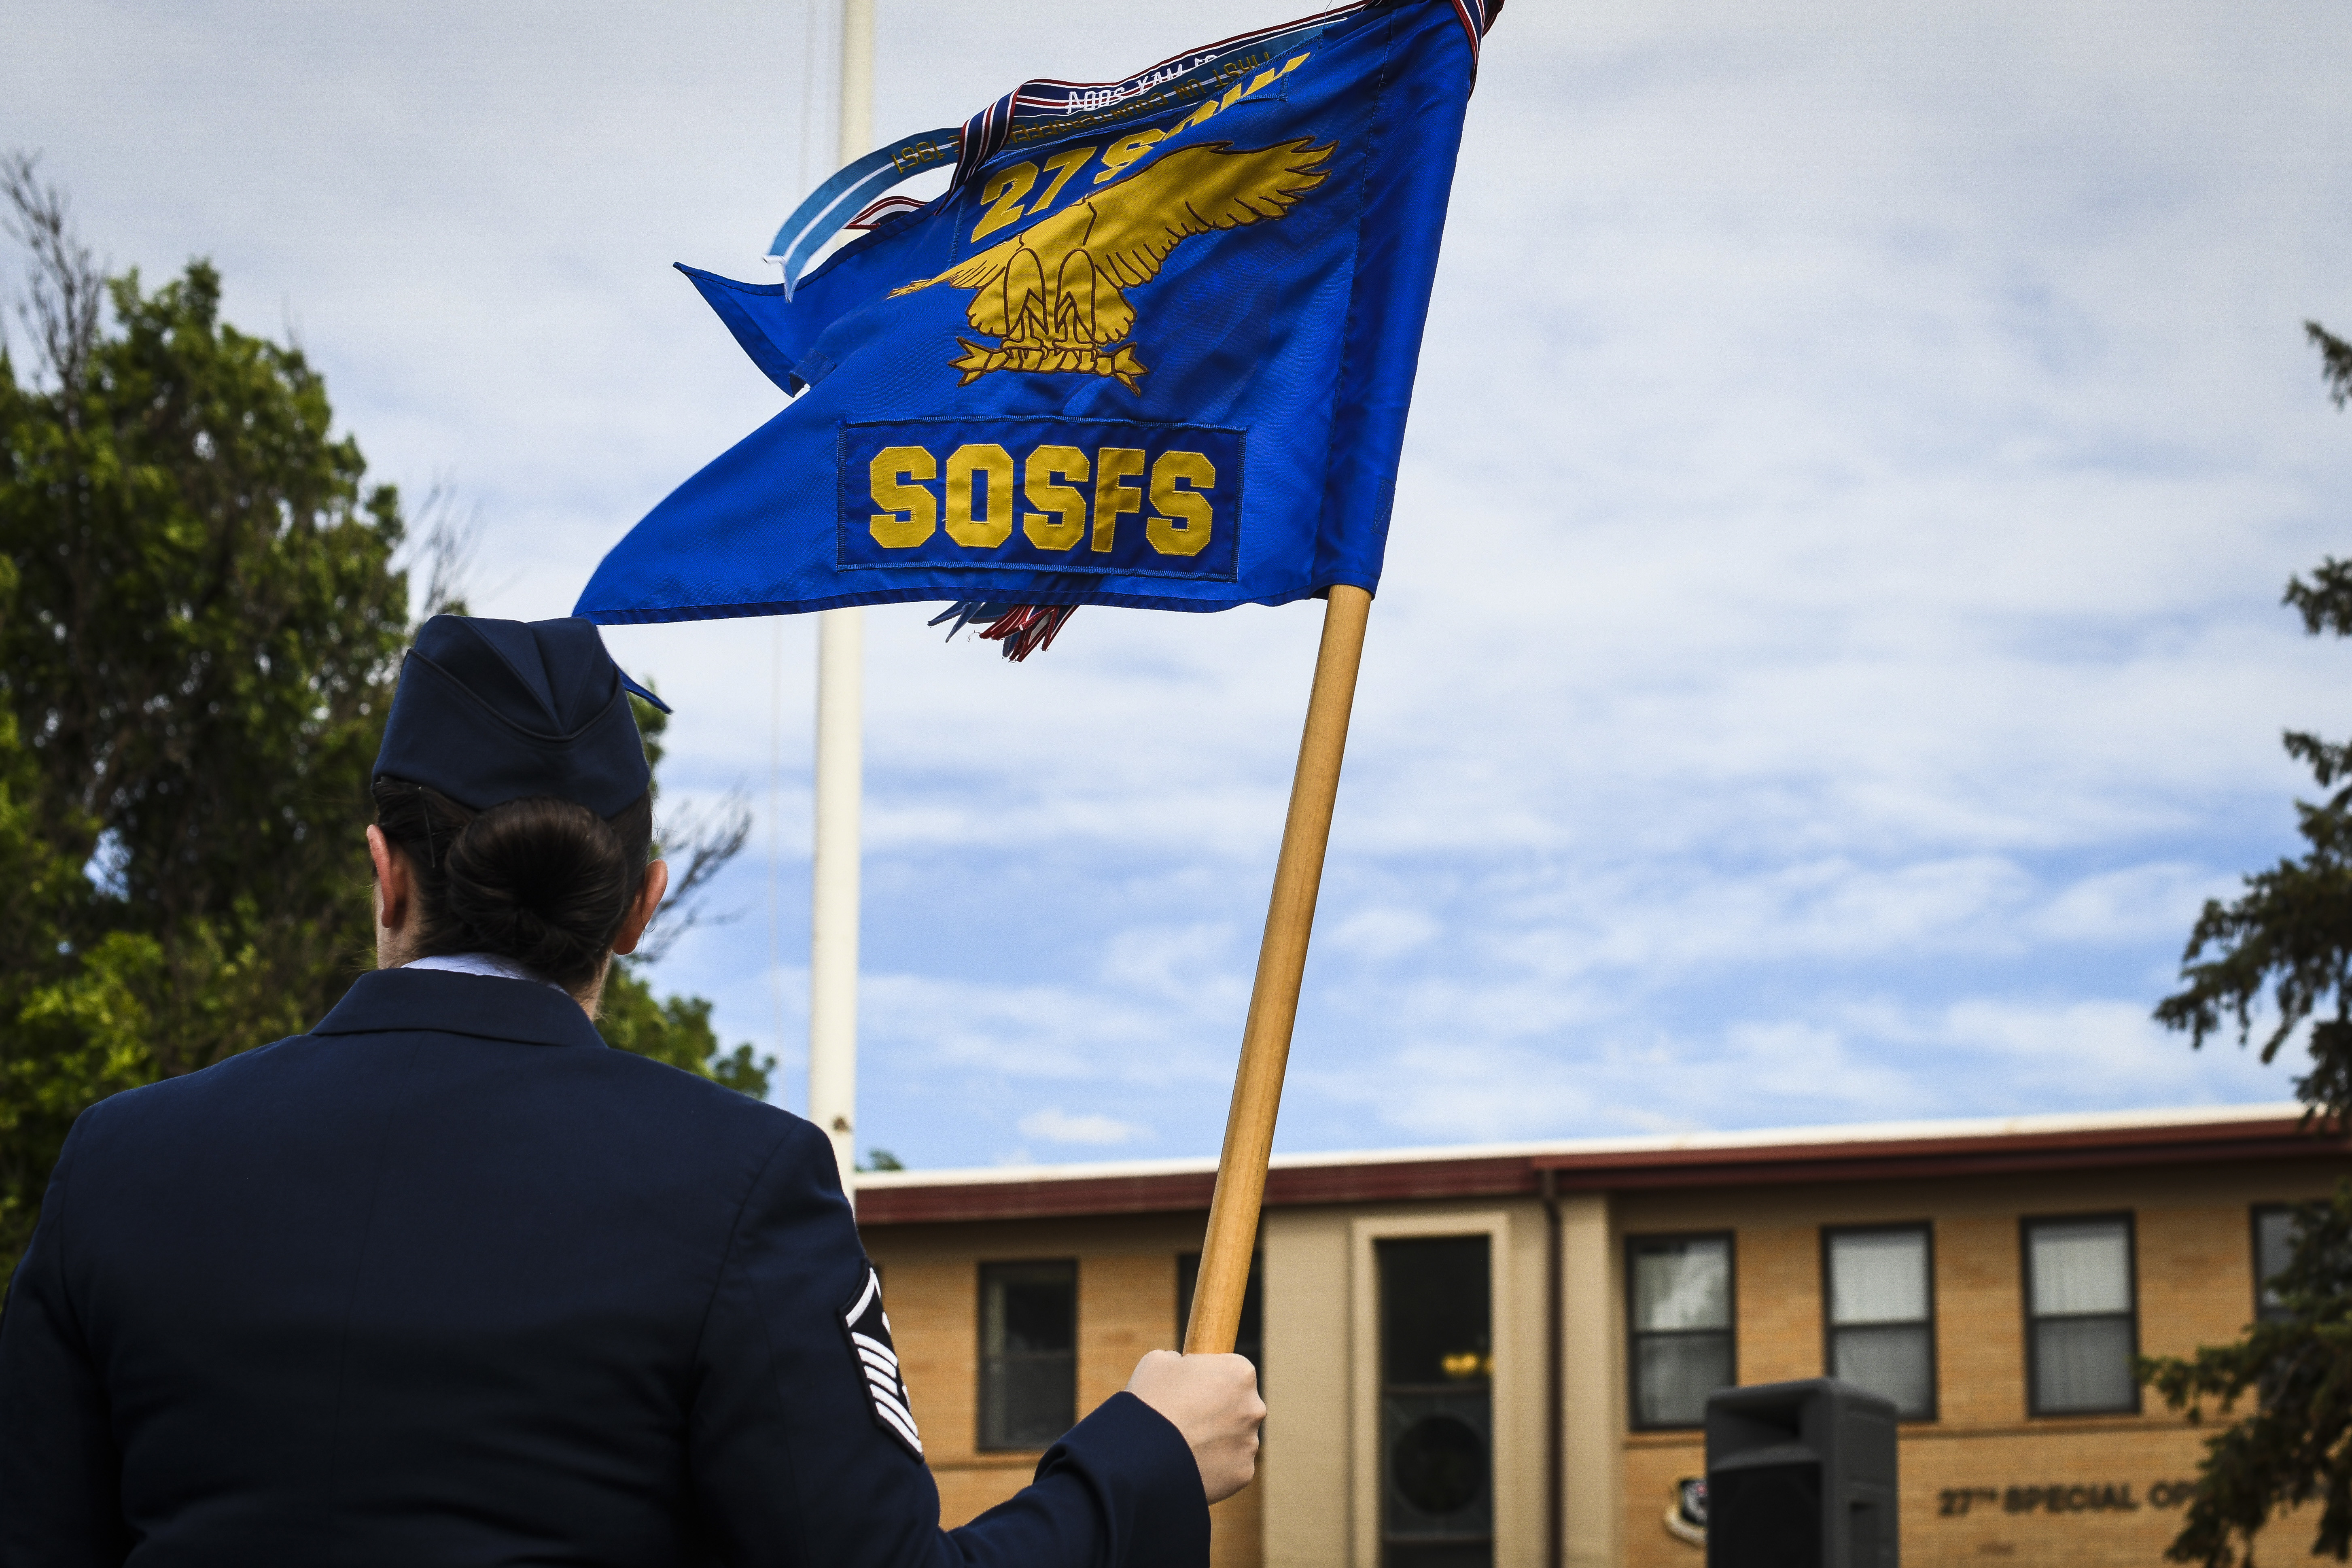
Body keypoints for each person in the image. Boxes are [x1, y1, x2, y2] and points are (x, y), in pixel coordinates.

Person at [0, 614, 1263, 1566]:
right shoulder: (741, 1187)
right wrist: (1146, 1456)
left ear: (385, 872)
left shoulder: (118, 1165)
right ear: (642, 905)